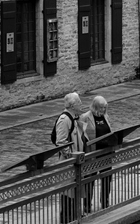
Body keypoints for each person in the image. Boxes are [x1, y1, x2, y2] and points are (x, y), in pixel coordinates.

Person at [55, 92, 86, 224]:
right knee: (67, 193)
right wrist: (71, 157)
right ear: (73, 105)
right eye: (79, 102)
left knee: (75, 191)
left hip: (76, 162)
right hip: (69, 163)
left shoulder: (75, 117)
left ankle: (74, 217)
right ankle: (67, 219)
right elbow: (61, 142)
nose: (82, 104)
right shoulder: (64, 119)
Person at [81, 96, 112, 212]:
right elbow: (81, 136)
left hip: (106, 153)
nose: (103, 110)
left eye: (105, 107)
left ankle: (105, 202)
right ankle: (87, 205)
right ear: (95, 107)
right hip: (92, 154)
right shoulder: (85, 117)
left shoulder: (105, 116)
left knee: (107, 177)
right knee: (90, 179)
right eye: (101, 107)